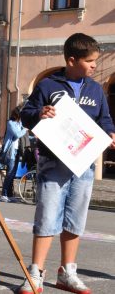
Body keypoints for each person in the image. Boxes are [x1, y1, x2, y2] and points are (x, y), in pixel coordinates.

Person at [18, 33, 115, 294]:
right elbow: (25, 114)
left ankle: (67, 272)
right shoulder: (48, 85)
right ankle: (36, 273)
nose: (95, 65)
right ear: (72, 60)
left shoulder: (95, 88)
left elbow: (104, 119)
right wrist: (39, 113)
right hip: (53, 163)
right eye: (90, 61)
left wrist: (110, 133)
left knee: (75, 219)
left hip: (83, 164)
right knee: (48, 217)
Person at [0, 108, 26, 202]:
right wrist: (25, 129)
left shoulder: (20, 123)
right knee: (10, 173)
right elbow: (17, 134)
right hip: (11, 151)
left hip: (17, 150)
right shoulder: (10, 123)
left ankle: (10, 194)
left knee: (13, 173)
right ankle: (4, 194)